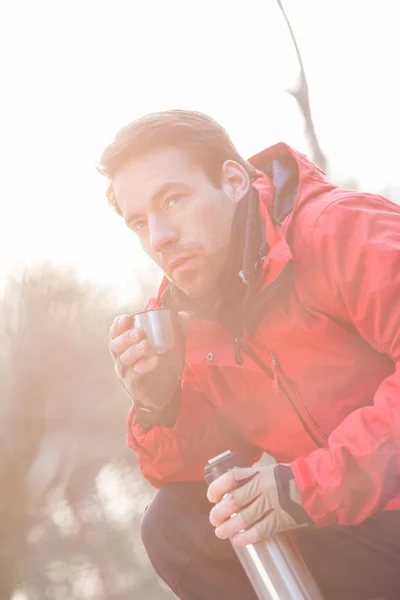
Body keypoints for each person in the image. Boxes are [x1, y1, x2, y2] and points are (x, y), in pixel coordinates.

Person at [100, 110, 400, 600]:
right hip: (358, 528)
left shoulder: (339, 229)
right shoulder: (182, 316)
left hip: (359, 501)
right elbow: (188, 473)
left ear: (234, 181)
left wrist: (304, 488)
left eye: (173, 200)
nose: (160, 237)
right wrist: (160, 403)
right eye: (139, 222)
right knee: (179, 525)